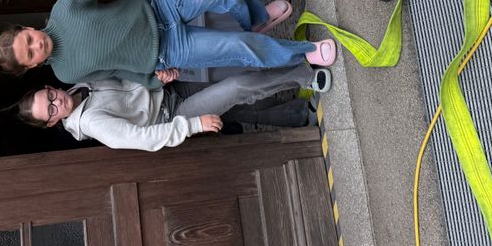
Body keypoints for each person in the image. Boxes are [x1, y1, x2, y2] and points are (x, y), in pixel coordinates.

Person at [0, 0, 337, 88]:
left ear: (28, 28)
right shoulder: (66, 73)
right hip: (169, 51)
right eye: (30, 54)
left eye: (29, 40)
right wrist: (155, 79)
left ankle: (257, 18)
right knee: (240, 47)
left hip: (160, 7)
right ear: (32, 66)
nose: (37, 46)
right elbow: (116, 73)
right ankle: (307, 54)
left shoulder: (63, 6)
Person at [16, 66, 328, 151]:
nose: (57, 102)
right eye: (51, 111)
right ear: (50, 123)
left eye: (50, 96)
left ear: (50, 87)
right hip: (174, 116)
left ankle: (301, 114)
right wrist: (193, 126)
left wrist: (153, 77)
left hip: (168, 88)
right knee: (236, 89)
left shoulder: (77, 84)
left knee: (239, 105)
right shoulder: (93, 123)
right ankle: (306, 76)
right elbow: (143, 139)